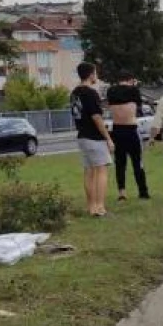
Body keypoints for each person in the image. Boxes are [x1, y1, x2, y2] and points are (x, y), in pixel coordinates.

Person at [70, 62, 114, 216]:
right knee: (101, 171)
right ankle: (99, 207)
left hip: (82, 136)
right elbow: (96, 117)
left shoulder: (74, 93)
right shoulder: (91, 93)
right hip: (94, 137)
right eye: (95, 73)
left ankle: (90, 206)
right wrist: (108, 138)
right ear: (90, 75)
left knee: (89, 172)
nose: (96, 76)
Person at [106, 71, 149, 201]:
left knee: (120, 163)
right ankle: (143, 191)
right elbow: (138, 108)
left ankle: (122, 192)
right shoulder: (134, 91)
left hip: (117, 129)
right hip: (131, 128)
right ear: (130, 80)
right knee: (137, 162)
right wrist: (134, 86)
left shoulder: (111, 91)